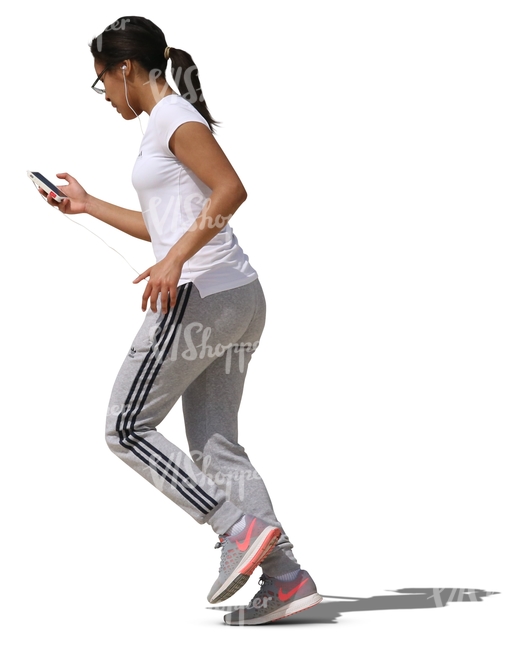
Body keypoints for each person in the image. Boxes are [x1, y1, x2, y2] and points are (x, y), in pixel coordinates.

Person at [43, 15, 322, 625]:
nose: (106, 97)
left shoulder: (174, 120)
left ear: (125, 69)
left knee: (125, 426)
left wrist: (173, 260)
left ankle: (233, 529)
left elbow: (230, 190)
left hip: (205, 298)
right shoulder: (162, 127)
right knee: (215, 445)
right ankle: (285, 578)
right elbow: (168, 225)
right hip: (238, 298)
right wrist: (86, 205)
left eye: (102, 83)